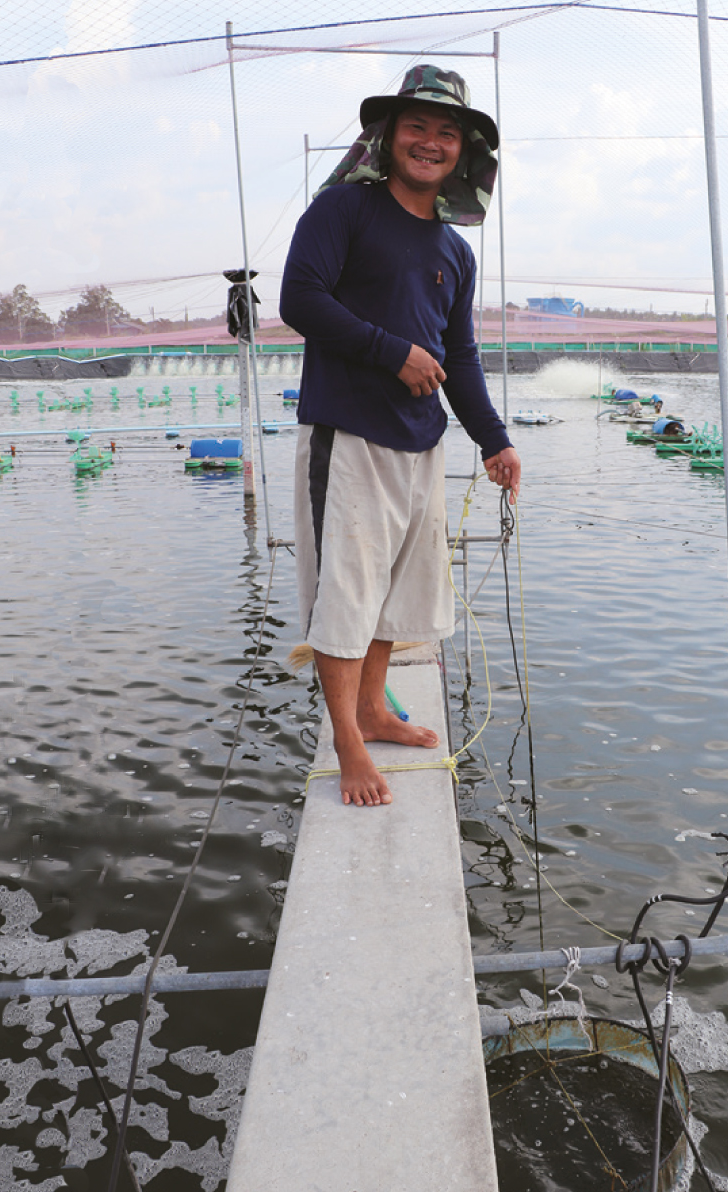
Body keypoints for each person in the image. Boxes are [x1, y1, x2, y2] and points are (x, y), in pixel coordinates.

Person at [279, 65, 520, 807]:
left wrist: (493, 440)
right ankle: (348, 743)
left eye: (447, 132)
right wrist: (391, 351)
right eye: (415, 126)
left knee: (392, 593)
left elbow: (462, 356)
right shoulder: (342, 210)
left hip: (421, 444)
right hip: (347, 436)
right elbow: (299, 299)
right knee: (344, 594)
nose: (430, 141)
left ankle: (375, 708)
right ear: (387, 137)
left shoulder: (455, 252)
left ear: (463, 155)